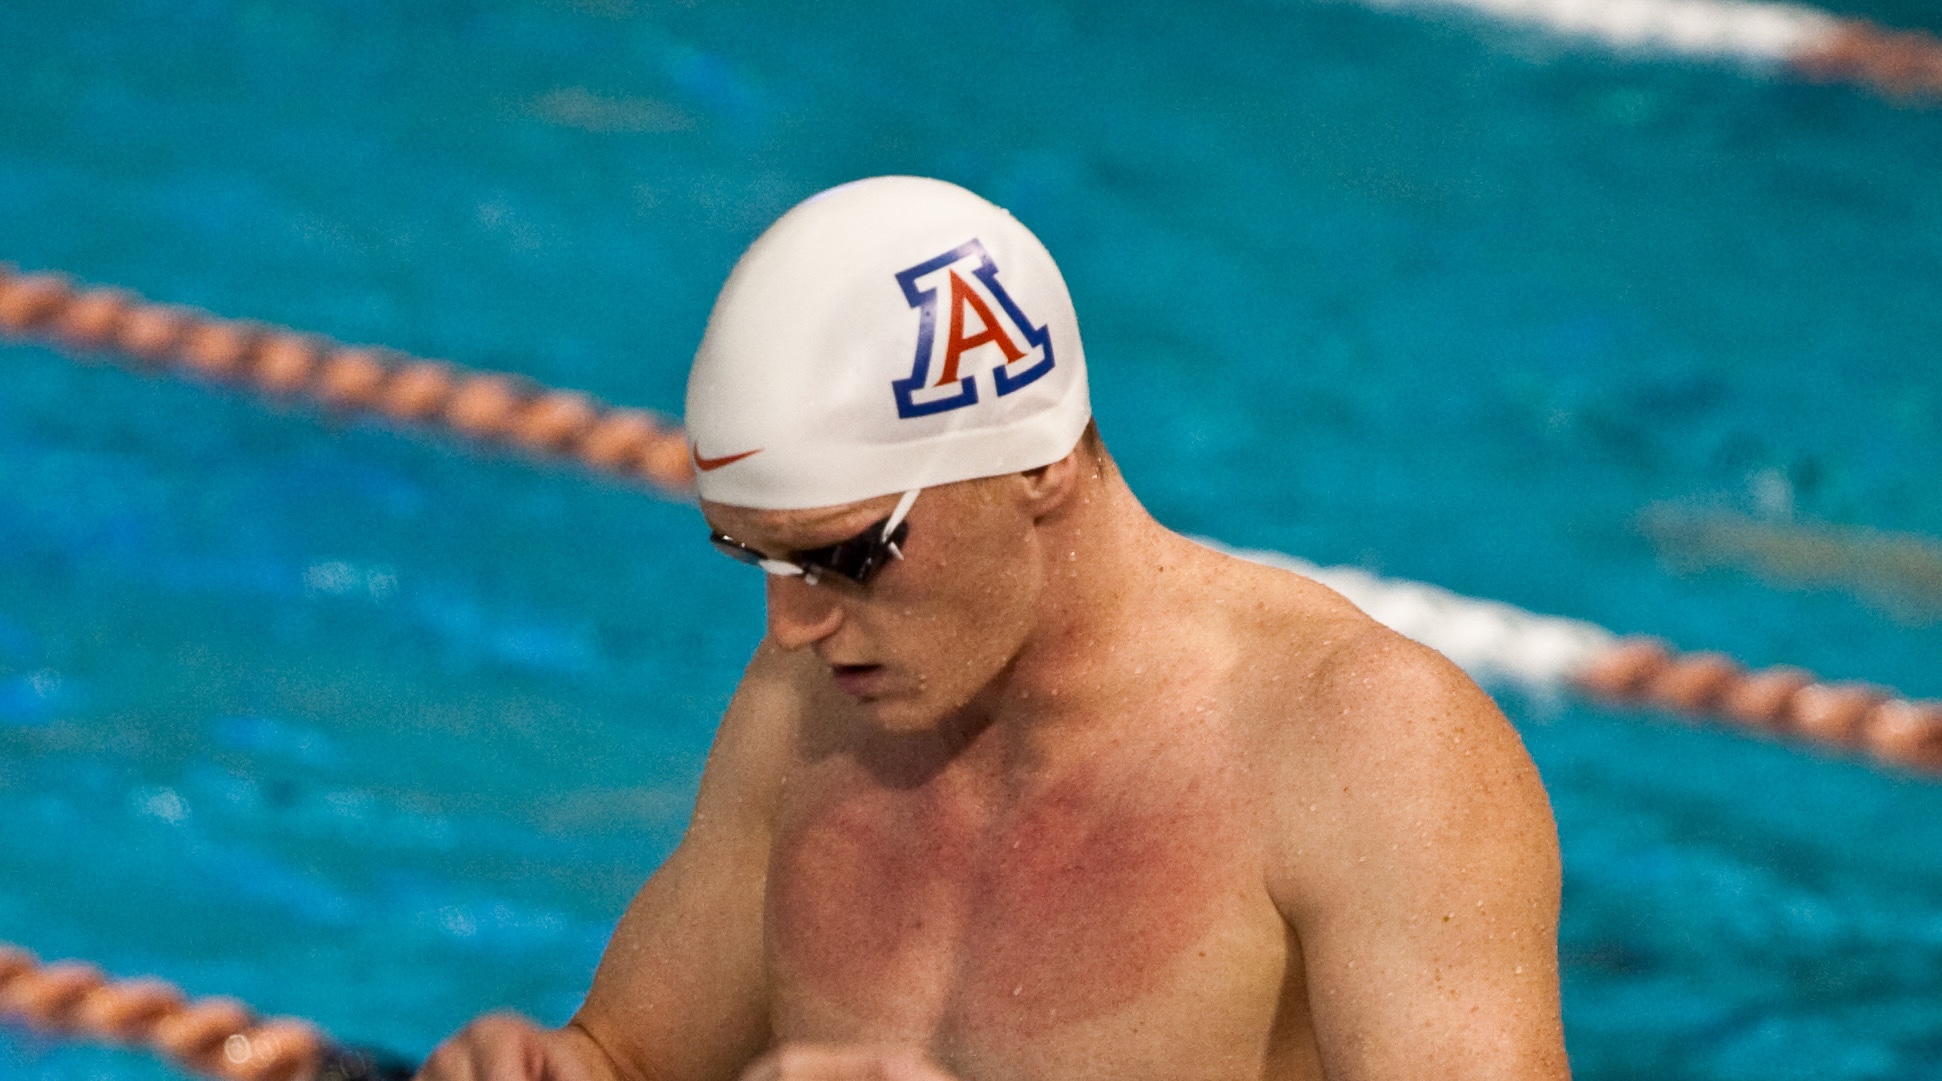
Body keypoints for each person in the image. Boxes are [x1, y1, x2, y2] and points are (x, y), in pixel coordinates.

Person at [417, 176, 1568, 1081]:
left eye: (851, 554)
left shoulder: (1365, 743)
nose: (792, 621)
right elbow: (631, 1060)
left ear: (1039, 463)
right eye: (760, 558)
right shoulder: (808, 705)